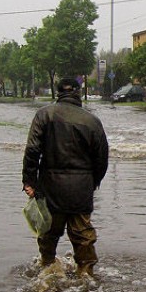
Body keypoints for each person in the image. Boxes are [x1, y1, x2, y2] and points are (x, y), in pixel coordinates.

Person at [22, 77, 109, 279]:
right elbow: (102, 158)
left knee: (48, 233)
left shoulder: (44, 115)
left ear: (58, 92)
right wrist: (92, 182)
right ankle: (86, 275)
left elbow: (32, 150)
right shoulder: (92, 121)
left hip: (50, 187)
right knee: (83, 236)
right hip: (81, 188)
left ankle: (47, 269)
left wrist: (29, 181)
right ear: (78, 93)